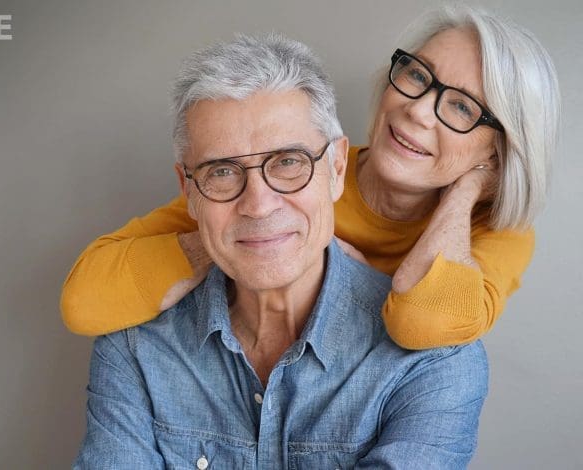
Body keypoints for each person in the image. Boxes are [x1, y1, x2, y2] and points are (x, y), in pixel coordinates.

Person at [74, 33, 488, 469]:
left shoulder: (435, 365)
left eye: (289, 162)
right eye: (222, 171)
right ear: (189, 193)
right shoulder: (134, 348)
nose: (257, 205)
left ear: (336, 168)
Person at [60, 4, 560, 349]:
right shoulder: (297, 170)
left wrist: (467, 188)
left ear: (498, 149)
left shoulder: (494, 232)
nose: (418, 111)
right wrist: (238, 237)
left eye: (461, 107)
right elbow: (85, 300)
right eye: (417, 76)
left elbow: (425, 321)